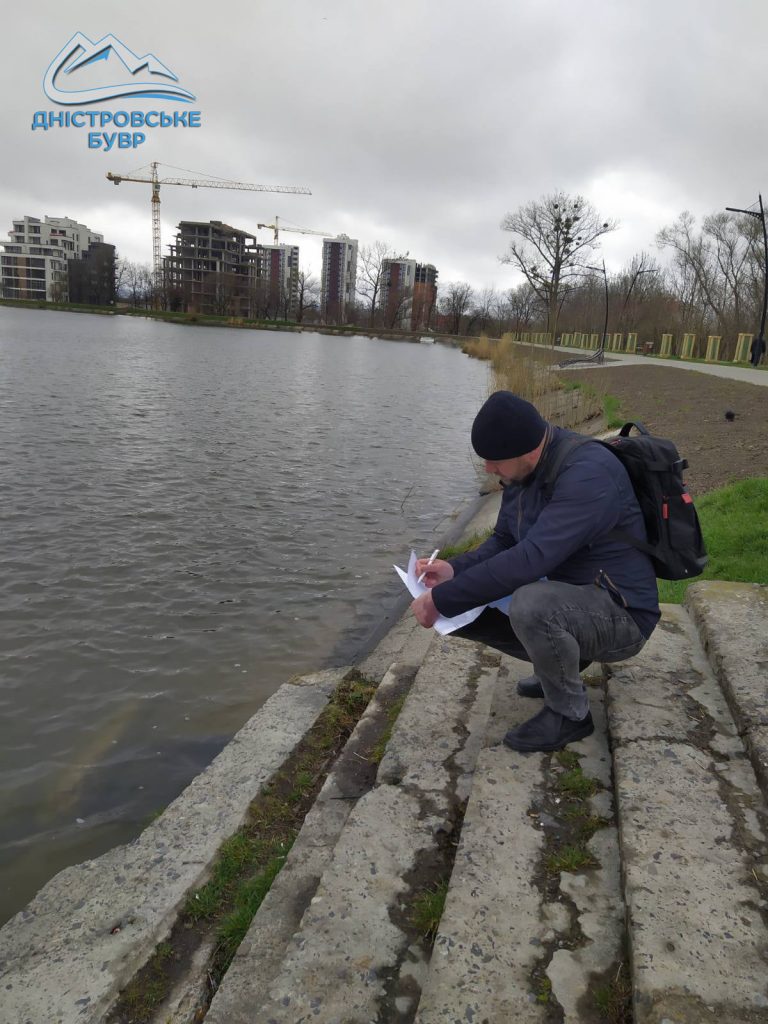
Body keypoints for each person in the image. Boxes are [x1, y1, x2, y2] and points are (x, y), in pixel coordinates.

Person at [410, 391, 660, 753]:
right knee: (483, 603)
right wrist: (453, 570)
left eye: (494, 461)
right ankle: (555, 670)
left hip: (623, 615)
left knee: (530, 602)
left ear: (525, 452)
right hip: (577, 597)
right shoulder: (524, 471)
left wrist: (443, 600)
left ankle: (570, 715)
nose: (488, 469)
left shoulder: (588, 474)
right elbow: (505, 540)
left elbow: (532, 558)